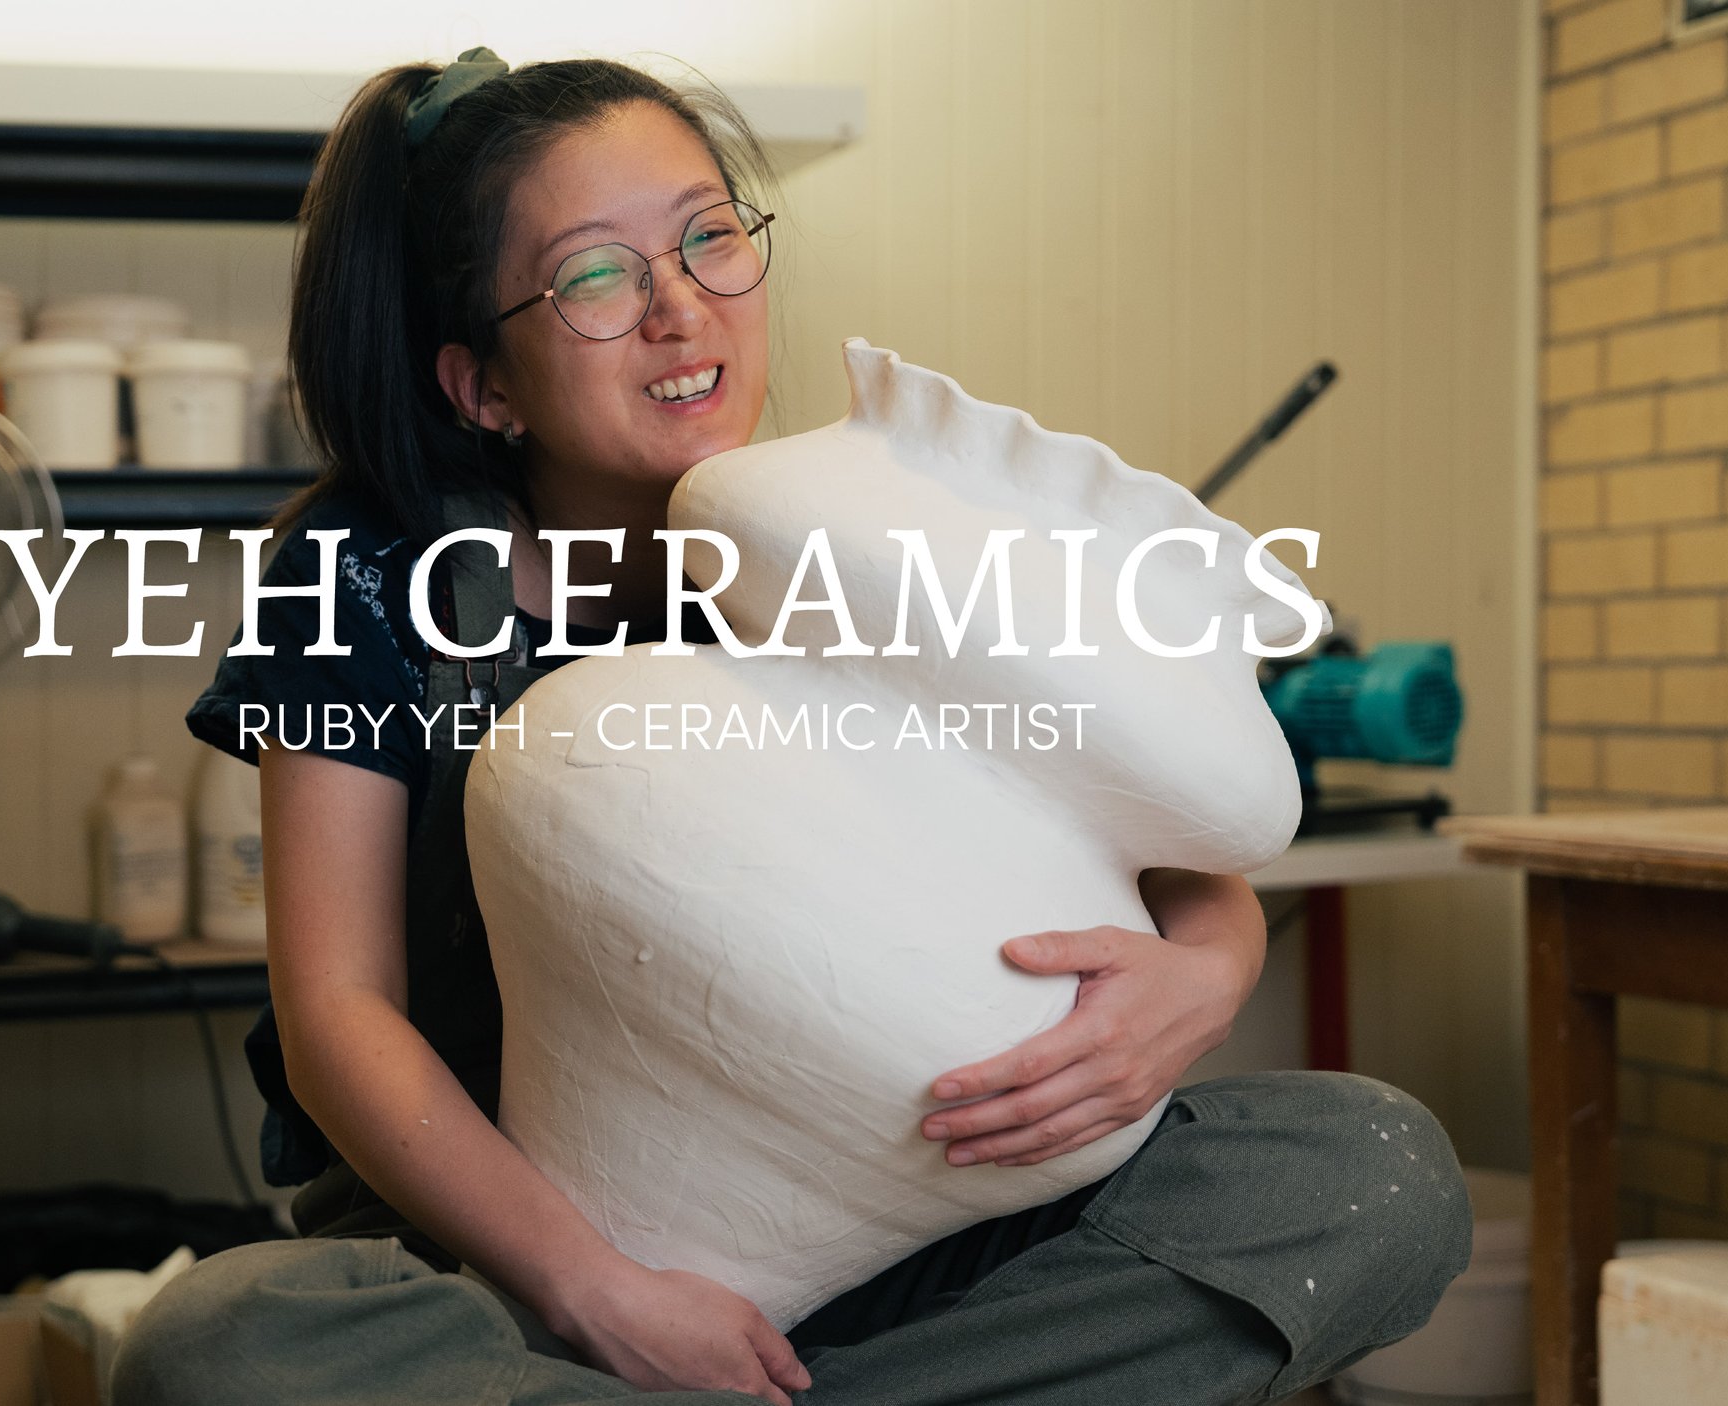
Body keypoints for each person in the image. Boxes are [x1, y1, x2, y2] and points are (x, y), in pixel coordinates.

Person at [122, 48, 1471, 1406]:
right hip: (500, 1262)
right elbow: (338, 1013)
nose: (680, 308)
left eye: (709, 238)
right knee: (217, 1343)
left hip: (901, 1217)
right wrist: (599, 1292)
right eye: (597, 275)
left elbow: (1172, 861)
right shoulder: (364, 572)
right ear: (485, 386)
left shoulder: (839, 529)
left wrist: (1206, 980)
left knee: (1374, 1172)